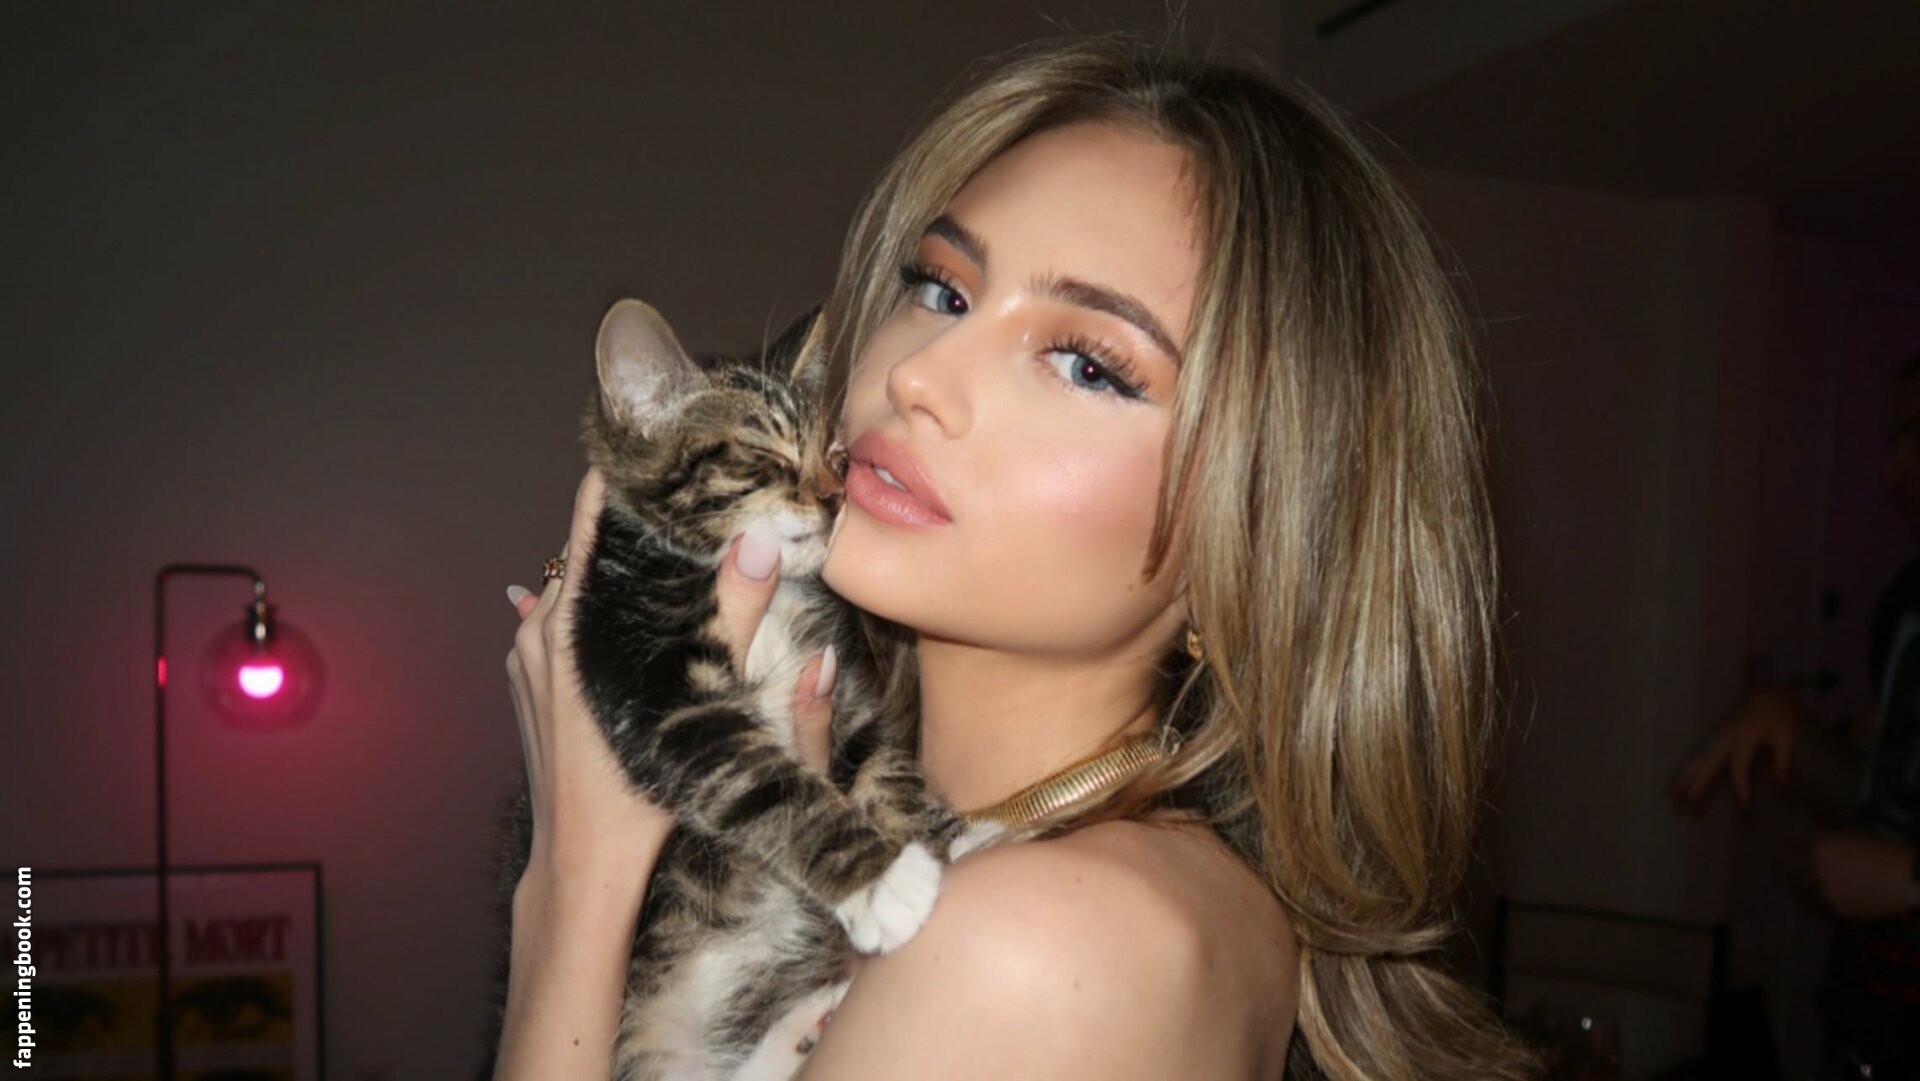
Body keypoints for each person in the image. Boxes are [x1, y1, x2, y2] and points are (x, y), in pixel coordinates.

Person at [494, 36, 1539, 1080]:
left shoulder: (1029, 946)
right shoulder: (1157, 890)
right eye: (941, 289)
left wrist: (574, 892)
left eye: (1088, 365)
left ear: (1257, 536)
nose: (920, 377)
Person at [1672, 348, 1920, 1077]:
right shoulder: (1906, 604)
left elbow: (1898, 863)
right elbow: (1876, 798)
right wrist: (1789, 730)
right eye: (1893, 438)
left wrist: (1909, 880)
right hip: (1870, 1027)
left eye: (1916, 435)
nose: (1892, 470)